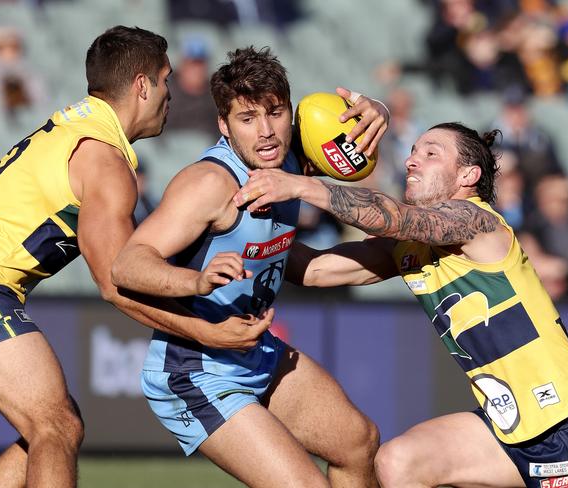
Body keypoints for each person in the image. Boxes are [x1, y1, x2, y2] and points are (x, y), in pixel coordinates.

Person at [0, 26, 274, 488]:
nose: (171, 95)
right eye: (166, 81)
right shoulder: (104, 160)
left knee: (52, 425)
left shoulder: (78, 125)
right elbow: (116, 283)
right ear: (142, 86)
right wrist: (206, 331)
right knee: (55, 426)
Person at [235, 122, 568, 487]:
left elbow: (394, 218)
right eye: (413, 152)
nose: (412, 161)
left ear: (468, 175)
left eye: (431, 153)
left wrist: (299, 185)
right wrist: (237, 228)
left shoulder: (478, 221)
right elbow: (312, 270)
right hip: (505, 426)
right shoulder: (410, 249)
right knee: (399, 461)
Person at [111, 46, 389, 487]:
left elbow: (352, 133)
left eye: (275, 113)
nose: (266, 133)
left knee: (358, 441)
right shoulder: (208, 184)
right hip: (194, 369)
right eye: (247, 119)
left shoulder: (291, 156)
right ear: (224, 125)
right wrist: (196, 280)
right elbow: (127, 265)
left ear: (290, 113)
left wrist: (378, 111)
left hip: (254, 351)